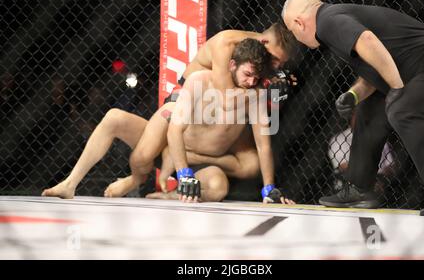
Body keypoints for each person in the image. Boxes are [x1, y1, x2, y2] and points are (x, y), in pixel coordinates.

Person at [42, 39, 294, 204]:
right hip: (171, 150)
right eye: (247, 74)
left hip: (202, 163)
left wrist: (269, 189)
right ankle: (69, 183)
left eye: (256, 77)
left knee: (218, 187)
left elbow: (263, 145)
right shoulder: (200, 81)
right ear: (231, 65)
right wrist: (183, 173)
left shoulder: (256, 96)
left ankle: (170, 195)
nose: (251, 81)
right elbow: (174, 129)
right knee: (113, 117)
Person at [282, 0, 424, 216]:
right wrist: (353, 95)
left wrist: (397, 88)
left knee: (403, 109)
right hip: (422, 71)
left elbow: (367, 41)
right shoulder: (335, 18)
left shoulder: (327, 20)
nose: (296, 39)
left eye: (293, 32)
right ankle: (358, 189)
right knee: (369, 110)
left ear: (298, 23)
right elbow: (374, 65)